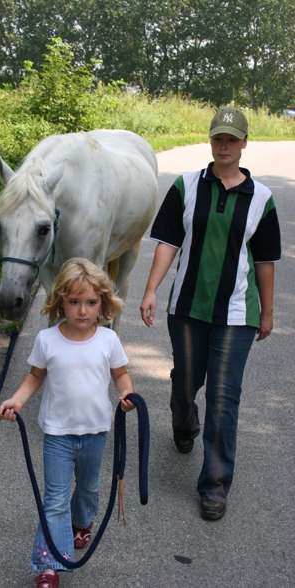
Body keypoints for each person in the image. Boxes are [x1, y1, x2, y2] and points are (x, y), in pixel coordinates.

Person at [140, 106, 281, 521]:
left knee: (224, 397)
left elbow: (265, 261)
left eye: (232, 139)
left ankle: (215, 486)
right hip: (186, 308)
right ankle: (184, 423)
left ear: (243, 144)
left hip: (238, 313)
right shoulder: (186, 186)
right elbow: (167, 241)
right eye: (218, 138)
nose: (224, 145)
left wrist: (268, 312)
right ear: (211, 140)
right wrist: (150, 290)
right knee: (185, 381)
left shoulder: (262, 200)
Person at [0, 258, 135, 588]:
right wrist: (17, 399)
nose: (83, 311)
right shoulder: (47, 340)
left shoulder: (107, 340)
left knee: (87, 489)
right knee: (54, 499)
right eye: (74, 302)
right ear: (60, 301)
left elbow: (120, 374)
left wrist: (128, 393)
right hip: (57, 435)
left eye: (91, 302)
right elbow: (35, 376)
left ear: (102, 303)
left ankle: (81, 521)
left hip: (96, 433)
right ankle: (48, 565)